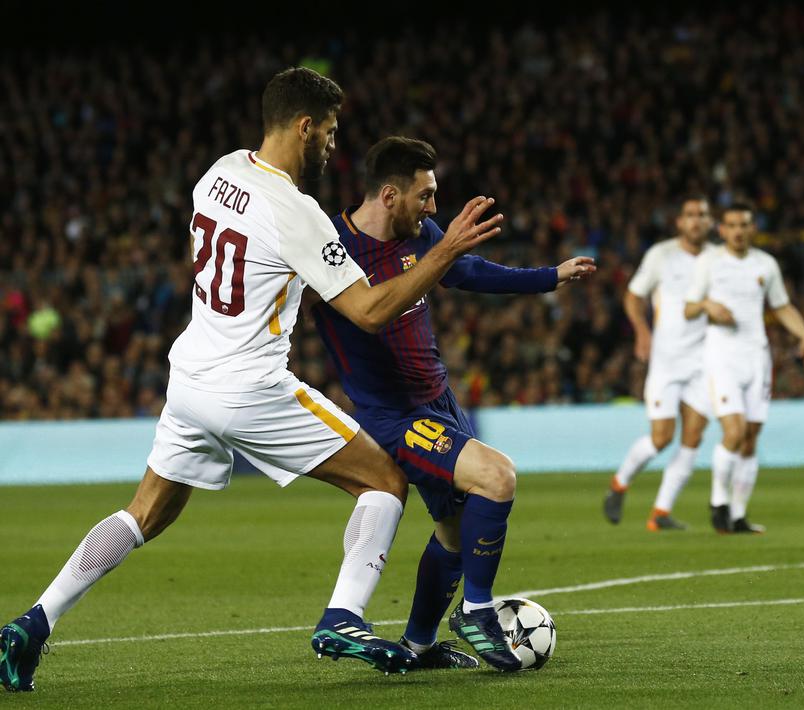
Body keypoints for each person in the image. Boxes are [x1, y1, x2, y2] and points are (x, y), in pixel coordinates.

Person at [0, 67, 505, 692]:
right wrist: (443, 251)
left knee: (143, 516)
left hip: (189, 378)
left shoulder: (218, 173)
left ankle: (32, 623)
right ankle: (343, 618)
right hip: (250, 383)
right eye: (329, 131)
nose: (333, 144)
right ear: (303, 125)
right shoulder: (298, 212)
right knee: (384, 479)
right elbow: (371, 311)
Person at [311, 136, 595, 671]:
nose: (433, 208)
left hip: (439, 402)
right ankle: (476, 610)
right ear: (390, 195)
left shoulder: (422, 235)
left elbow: (467, 271)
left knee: (455, 532)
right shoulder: (330, 249)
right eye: (426, 196)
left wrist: (549, 277)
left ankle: (418, 646)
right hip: (394, 417)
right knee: (497, 477)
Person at [685, 203, 804, 534]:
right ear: (722, 230)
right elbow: (688, 308)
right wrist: (706, 305)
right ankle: (718, 503)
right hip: (722, 357)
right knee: (734, 431)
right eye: (732, 225)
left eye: (744, 224)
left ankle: (739, 515)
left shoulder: (765, 264)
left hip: (757, 356)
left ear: (752, 227)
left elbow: (782, 306)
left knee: (750, 438)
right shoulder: (709, 262)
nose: (738, 231)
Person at [603, 197, 716, 531]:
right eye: (691, 215)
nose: (696, 221)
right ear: (680, 222)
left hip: (704, 362)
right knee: (662, 437)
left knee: (694, 435)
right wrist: (642, 331)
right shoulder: (661, 255)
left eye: (703, 216)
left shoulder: (718, 259)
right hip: (666, 361)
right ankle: (619, 484)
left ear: (710, 223)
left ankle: (660, 513)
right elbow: (633, 295)